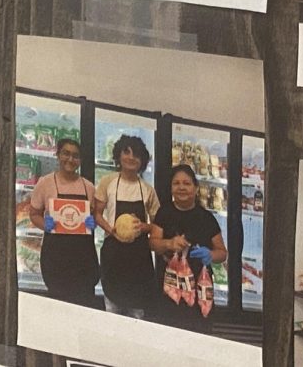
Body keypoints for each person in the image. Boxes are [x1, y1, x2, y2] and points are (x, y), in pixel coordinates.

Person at [149, 165, 227, 333]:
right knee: (167, 334)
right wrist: (169, 244)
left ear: (195, 187)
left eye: (186, 183)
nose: (181, 187)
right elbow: (153, 243)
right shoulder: (165, 213)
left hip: (199, 288)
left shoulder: (206, 218)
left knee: (199, 334)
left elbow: (222, 252)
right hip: (169, 287)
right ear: (171, 187)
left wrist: (210, 255)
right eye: (176, 183)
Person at [28, 138, 101, 309]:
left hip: (83, 259)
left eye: (75, 156)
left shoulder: (88, 187)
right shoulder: (45, 183)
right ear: (58, 155)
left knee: (84, 304)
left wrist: (92, 224)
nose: (70, 159)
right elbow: (34, 214)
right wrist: (45, 224)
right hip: (56, 257)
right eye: (66, 154)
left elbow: (93, 218)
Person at [94, 134, 160, 317]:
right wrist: (110, 229)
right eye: (126, 152)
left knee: (136, 312)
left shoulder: (147, 189)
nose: (131, 157)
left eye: (136, 154)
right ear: (118, 156)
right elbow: (97, 214)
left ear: (143, 161)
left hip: (138, 258)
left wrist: (143, 227)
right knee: (112, 311)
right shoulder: (108, 182)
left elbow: (157, 226)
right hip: (113, 254)